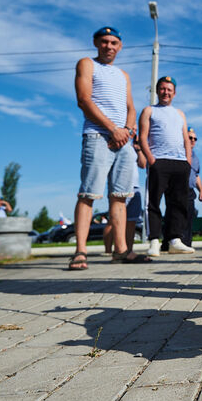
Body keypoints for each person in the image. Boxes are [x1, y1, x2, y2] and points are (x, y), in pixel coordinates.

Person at [69, 26, 147, 270]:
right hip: (97, 136)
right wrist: (113, 129)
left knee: (120, 196)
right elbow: (84, 100)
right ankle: (80, 251)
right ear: (96, 43)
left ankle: (121, 250)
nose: (109, 46)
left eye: (114, 42)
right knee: (88, 193)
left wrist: (127, 132)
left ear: (120, 46)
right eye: (104, 41)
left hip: (123, 139)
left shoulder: (123, 75)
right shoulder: (86, 64)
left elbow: (131, 108)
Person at [139, 76, 194, 256]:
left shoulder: (180, 114)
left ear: (174, 93)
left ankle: (174, 240)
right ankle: (154, 240)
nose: (166, 92)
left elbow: (186, 139)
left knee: (178, 203)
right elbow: (143, 137)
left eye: (169, 89)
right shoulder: (149, 111)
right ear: (157, 91)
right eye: (162, 89)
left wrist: (188, 161)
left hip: (180, 163)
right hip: (158, 161)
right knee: (154, 201)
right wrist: (151, 160)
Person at [182, 128, 202, 247]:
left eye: (195, 139)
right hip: (179, 189)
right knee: (178, 216)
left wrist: (201, 191)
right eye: (190, 137)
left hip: (190, 190)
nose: (192, 140)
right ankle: (173, 242)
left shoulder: (195, 157)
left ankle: (187, 243)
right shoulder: (179, 152)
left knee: (189, 217)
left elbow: (196, 176)